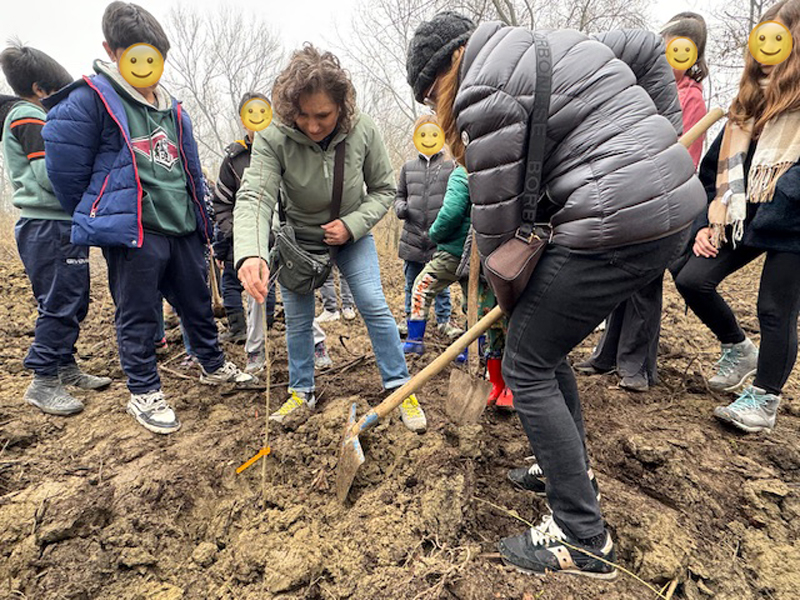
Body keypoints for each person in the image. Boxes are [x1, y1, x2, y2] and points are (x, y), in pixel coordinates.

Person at [407, 11, 704, 578]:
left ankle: (581, 534)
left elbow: (497, 226)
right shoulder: (555, 43)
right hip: (669, 208)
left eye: (429, 93)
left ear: (450, 62)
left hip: (615, 221)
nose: (436, 105)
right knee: (542, 347)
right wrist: (665, 138)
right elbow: (647, 47)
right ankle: (567, 469)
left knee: (525, 361)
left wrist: (509, 301)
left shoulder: (480, 90)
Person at [42, 1, 254, 435]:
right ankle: (144, 391)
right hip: (135, 229)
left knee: (197, 302)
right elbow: (65, 171)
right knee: (138, 313)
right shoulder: (91, 99)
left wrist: (202, 221)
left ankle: (212, 363)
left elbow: (190, 169)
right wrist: (103, 210)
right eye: (136, 56)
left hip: (182, 225)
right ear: (111, 51)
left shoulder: (173, 109)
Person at [235, 44, 425, 432]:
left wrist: (352, 224)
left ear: (341, 106)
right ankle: (300, 392)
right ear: (290, 108)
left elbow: (384, 190)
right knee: (298, 319)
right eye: (303, 115)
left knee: (372, 303)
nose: (313, 126)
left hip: (351, 236)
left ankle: (400, 387)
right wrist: (251, 252)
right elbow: (256, 195)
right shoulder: (273, 137)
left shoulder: (363, 130)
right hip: (299, 243)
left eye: (322, 115)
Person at [674, 0, 800, 433]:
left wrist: (784, 193)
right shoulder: (748, 101)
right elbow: (714, 169)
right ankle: (738, 347)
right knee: (691, 277)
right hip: (746, 213)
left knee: (775, 308)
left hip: (792, 219)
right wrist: (707, 223)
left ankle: (764, 400)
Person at [577, 12, 709, 391]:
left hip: (662, 196)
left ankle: (636, 366)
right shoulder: (642, 86)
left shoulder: (690, 98)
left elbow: (685, 152)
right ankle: (608, 354)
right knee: (620, 275)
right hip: (629, 192)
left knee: (645, 282)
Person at [0, 43, 111, 416]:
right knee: (60, 301)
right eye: (56, 93)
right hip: (47, 225)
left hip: (58, 223)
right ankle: (43, 379)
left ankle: (65, 365)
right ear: (39, 89)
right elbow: (49, 176)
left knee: (74, 298)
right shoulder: (29, 116)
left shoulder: (31, 115)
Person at [213, 92, 278, 370]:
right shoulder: (233, 160)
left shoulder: (284, 150)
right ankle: (247, 338)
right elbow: (221, 204)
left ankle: (268, 328)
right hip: (242, 240)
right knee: (239, 285)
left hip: (280, 237)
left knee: (277, 286)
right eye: (251, 113)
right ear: (243, 120)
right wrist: (235, 234)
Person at [395, 114, 458, 338]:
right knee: (411, 283)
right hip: (412, 237)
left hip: (439, 238)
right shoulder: (408, 167)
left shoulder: (450, 167)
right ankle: (410, 319)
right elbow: (399, 195)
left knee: (439, 284)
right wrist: (401, 208)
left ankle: (444, 320)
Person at [403, 165, 468, 354]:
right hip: (483, 251)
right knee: (476, 301)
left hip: (455, 251)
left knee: (421, 287)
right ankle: (475, 349)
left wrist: (435, 234)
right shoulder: (488, 172)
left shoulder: (462, 173)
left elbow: (451, 213)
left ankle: (414, 342)